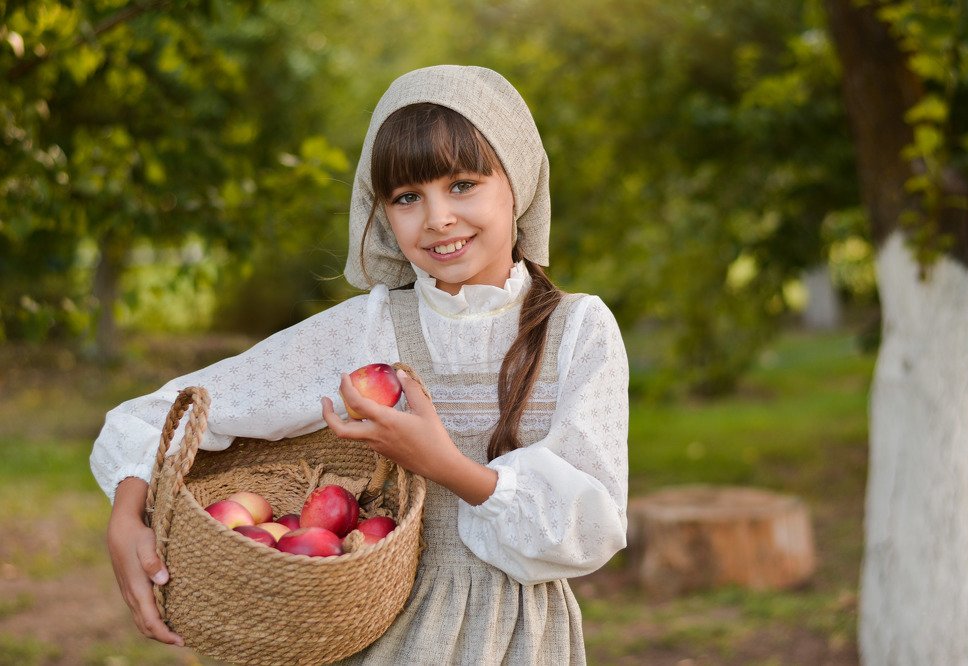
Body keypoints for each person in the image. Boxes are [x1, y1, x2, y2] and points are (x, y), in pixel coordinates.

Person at [92, 64, 629, 664]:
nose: (437, 218)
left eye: (462, 184)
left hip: (521, 641)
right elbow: (161, 414)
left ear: (519, 181)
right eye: (407, 197)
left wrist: (445, 465)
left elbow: (593, 525)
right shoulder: (369, 329)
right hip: (385, 633)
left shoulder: (578, 328)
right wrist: (126, 514)